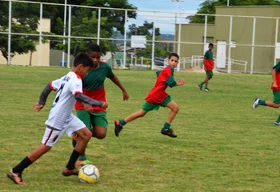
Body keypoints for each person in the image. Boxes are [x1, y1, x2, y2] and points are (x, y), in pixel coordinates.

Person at [7, 53, 108, 185]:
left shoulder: (67, 76)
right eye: (87, 70)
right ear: (80, 67)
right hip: (58, 118)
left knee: (86, 134)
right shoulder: (76, 79)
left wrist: (42, 101)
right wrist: (99, 103)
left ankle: (70, 167)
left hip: (67, 116)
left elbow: (49, 86)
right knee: (46, 146)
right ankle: (16, 170)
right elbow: (78, 97)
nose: (87, 73)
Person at [73, 44, 129, 166]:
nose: (95, 60)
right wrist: (84, 102)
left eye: (98, 57)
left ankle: (78, 134)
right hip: (83, 105)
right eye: (93, 57)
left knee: (101, 134)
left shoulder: (104, 68)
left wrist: (123, 90)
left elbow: (113, 77)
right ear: (87, 56)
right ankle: (81, 157)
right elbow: (75, 89)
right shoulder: (81, 71)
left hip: (99, 105)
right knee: (85, 132)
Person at [114, 53, 185, 138]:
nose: (173, 62)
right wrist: (179, 83)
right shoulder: (168, 70)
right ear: (168, 60)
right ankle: (120, 123)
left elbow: (160, 74)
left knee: (143, 113)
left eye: (175, 61)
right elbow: (171, 83)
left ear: (177, 63)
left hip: (159, 94)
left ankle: (120, 123)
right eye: (172, 60)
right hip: (156, 96)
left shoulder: (167, 69)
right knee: (143, 112)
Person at [253, 48, 280, 126]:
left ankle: (278, 122)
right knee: (277, 105)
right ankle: (259, 101)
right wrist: (274, 82)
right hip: (278, 86)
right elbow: (274, 70)